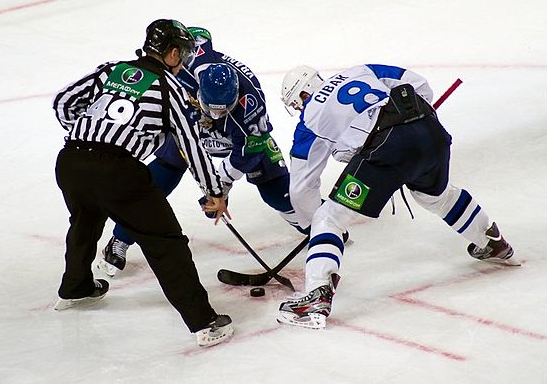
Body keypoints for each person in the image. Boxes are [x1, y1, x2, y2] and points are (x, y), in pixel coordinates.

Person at [276, 64, 518, 329]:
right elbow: (419, 84)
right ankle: (493, 242)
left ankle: (316, 296)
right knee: (435, 197)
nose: (298, 109)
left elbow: (301, 189)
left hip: (388, 148)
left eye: (296, 104)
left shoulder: (309, 119)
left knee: (329, 218)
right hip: (429, 130)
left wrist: (312, 229)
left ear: (302, 96)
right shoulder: (359, 70)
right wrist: (408, 131)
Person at [52, 18, 233, 347]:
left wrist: (89, 133)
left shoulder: (112, 70)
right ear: (173, 53)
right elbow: (190, 146)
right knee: (166, 243)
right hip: (117, 172)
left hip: (71, 161)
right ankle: (205, 323)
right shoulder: (169, 87)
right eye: (184, 56)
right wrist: (215, 192)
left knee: (85, 220)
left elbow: (63, 103)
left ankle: (75, 287)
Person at [98, 27, 305, 277]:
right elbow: (195, 33)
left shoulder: (251, 108)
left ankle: (315, 222)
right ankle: (120, 239)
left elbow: (247, 153)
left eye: (222, 109)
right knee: (159, 180)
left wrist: (222, 186)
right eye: (212, 108)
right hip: (190, 125)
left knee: (275, 193)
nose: (215, 114)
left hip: (237, 138)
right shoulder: (192, 64)